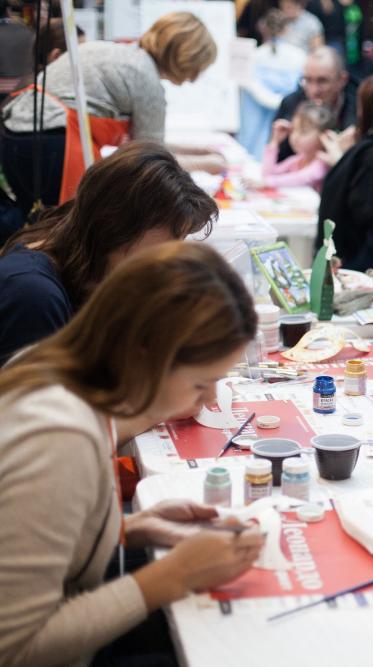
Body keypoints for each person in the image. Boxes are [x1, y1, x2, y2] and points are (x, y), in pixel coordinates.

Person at [0, 241, 264, 667]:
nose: (211, 399)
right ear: (146, 352)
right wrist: (171, 576)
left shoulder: (58, 370)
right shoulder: (60, 437)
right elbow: (15, 648)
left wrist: (129, 526)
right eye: (201, 383)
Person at [0, 141, 217, 365]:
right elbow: (52, 387)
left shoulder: (74, 250)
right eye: (170, 240)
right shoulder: (34, 297)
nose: (170, 257)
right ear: (115, 226)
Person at [0, 12, 222, 218]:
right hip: (55, 145)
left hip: (15, 134)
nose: (194, 78)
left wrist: (197, 151)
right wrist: (206, 164)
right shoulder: (146, 80)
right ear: (186, 58)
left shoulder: (113, 52)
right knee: (62, 226)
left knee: (34, 222)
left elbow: (149, 144)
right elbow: (152, 158)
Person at [317, 74, 373, 267]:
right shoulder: (365, 147)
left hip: (355, 252)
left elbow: (361, 206)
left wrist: (341, 160)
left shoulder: (367, 152)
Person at [236, 9, 308, 160]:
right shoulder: (300, 56)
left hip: (252, 135)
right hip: (287, 119)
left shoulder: (254, 56)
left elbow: (248, 86)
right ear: (287, 29)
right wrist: (282, 101)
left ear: (262, 28)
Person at [274, 46, 357, 162]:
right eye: (308, 80)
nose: (314, 91)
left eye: (322, 81)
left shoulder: (358, 110)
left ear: (342, 80)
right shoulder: (290, 104)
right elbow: (278, 159)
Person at [261, 101, 334, 191]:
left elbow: (302, 179)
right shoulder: (297, 160)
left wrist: (268, 182)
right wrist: (274, 142)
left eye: (303, 131)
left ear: (324, 136)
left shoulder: (323, 164)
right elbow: (268, 174)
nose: (295, 137)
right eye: (293, 130)